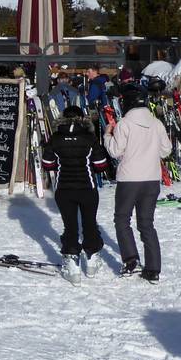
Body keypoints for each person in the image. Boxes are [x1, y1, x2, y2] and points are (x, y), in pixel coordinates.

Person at [104, 84, 172, 282]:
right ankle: (153, 269)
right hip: (152, 178)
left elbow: (115, 151)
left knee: (122, 219)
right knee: (146, 223)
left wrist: (107, 135)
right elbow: (166, 150)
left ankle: (131, 260)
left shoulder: (124, 123)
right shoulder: (156, 123)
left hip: (129, 179)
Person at [42, 105, 111, 285]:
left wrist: (60, 162)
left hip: (64, 190)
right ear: (82, 119)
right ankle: (92, 261)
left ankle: (72, 266)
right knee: (90, 224)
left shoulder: (55, 138)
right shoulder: (89, 138)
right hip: (87, 188)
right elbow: (101, 165)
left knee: (70, 227)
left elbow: (47, 163)